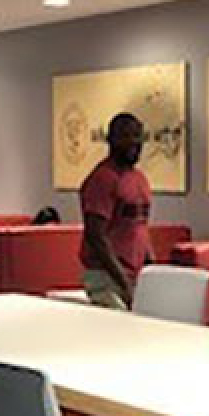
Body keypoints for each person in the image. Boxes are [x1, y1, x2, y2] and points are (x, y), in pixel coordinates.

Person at [77, 112, 152, 309]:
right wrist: (122, 280)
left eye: (138, 136)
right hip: (106, 277)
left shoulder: (139, 179)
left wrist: (151, 268)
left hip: (134, 275)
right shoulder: (103, 179)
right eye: (126, 136)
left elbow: (139, 226)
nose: (134, 142)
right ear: (111, 140)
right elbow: (96, 236)